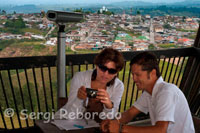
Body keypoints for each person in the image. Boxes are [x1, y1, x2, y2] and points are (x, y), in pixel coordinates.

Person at [101, 51, 195, 133]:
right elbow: (130, 113)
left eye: (137, 74)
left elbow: (160, 130)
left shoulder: (167, 92)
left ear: (153, 73)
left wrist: (121, 128)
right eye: (133, 75)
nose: (134, 79)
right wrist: (113, 122)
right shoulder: (148, 92)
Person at [54, 48, 124, 123]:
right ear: (97, 65)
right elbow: (71, 115)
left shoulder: (118, 86)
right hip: (67, 123)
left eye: (112, 71)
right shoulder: (80, 77)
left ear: (116, 73)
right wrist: (79, 99)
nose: (105, 74)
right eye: (103, 68)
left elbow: (108, 121)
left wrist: (109, 106)